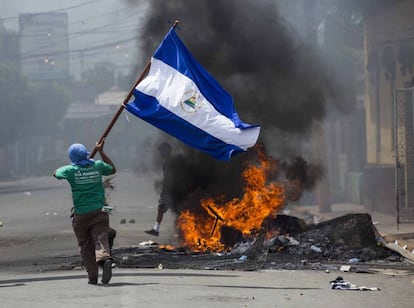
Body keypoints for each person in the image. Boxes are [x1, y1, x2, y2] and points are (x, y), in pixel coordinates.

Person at [53, 140, 116, 285]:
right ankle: (105, 258)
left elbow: (56, 173)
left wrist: (73, 168)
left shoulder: (69, 170)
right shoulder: (98, 166)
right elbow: (112, 169)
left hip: (81, 214)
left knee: (85, 245)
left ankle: (92, 276)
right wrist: (101, 151)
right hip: (100, 211)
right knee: (101, 237)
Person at [145, 142, 173, 236]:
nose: (160, 154)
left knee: (161, 208)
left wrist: (165, 190)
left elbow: (169, 177)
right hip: (172, 189)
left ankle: (156, 230)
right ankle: (156, 229)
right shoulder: (170, 161)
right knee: (162, 208)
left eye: (161, 151)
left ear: (166, 151)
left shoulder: (169, 162)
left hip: (170, 190)